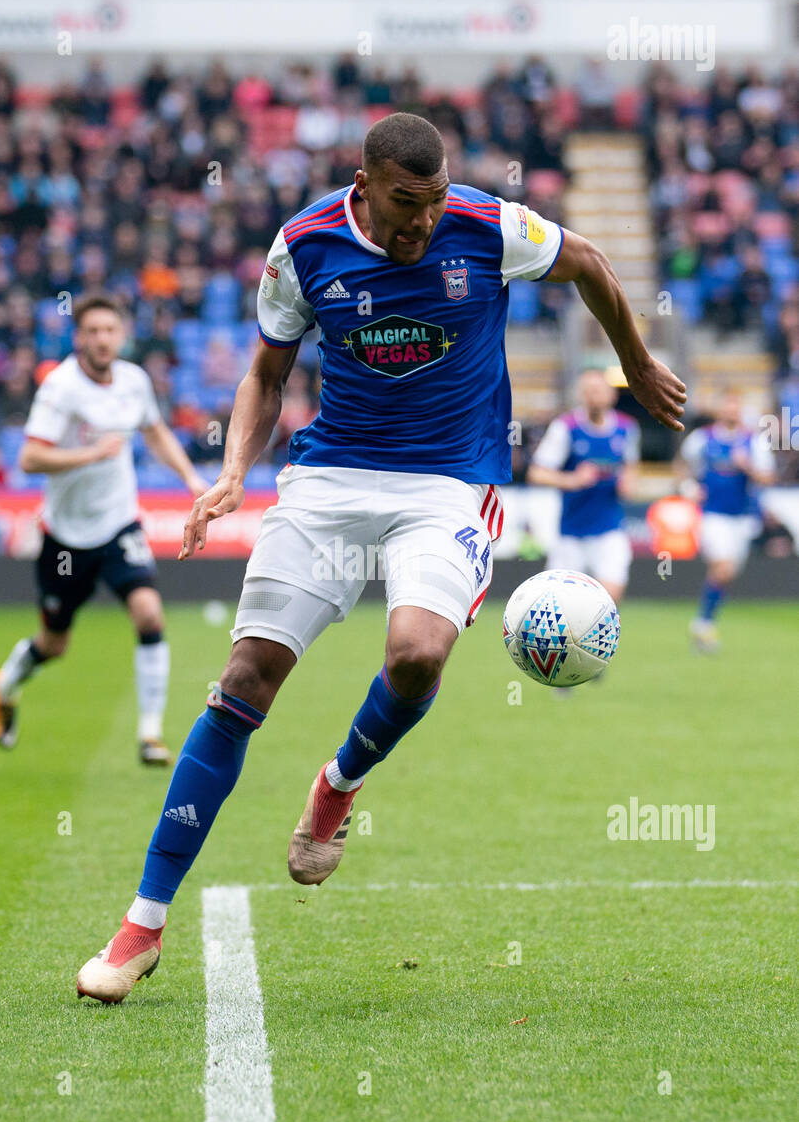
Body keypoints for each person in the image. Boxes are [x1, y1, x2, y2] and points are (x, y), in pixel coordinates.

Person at [75, 112, 685, 1003]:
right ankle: (142, 923)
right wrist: (234, 473)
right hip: (328, 482)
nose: (423, 223)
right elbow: (266, 373)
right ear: (364, 185)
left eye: (435, 202)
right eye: (407, 205)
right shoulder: (304, 246)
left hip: (448, 484)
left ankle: (338, 782)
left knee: (416, 653)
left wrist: (637, 359)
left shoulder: (488, 226)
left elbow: (587, 259)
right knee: (246, 678)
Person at [0, 293, 207, 763]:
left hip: (118, 525)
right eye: (93, 331)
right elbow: (28, 457)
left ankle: (150, 734)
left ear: (121, 335)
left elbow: (155, 431)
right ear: (78, 338)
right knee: (54, 643)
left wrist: (191, 479)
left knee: (149, 613)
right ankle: (6, 682)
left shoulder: (134, 381)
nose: (103, 339)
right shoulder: (61, 388)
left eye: (110, 330)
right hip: (65, 538)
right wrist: (90, 454)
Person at [527, 369, 640, 608]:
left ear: (612, 395)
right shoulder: (565, 427)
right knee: (558, 606)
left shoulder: (626, 428)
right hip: (571, 532)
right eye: (587, 391)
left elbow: (630, 466)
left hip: (609, 528)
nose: (592, 396)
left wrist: (627, 483)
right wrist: (573, 480)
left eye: (597, 391)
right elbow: (536, 473)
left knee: (609, 599)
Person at [676, 391, 775, 652]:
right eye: (727, 407)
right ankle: (704, 625)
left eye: (735, 408)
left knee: (727, 574)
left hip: (742, 519)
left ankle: (704, 621)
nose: (731, 412)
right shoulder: (702, 439)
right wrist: (688, 486)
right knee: (723, 568)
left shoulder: (754, 442)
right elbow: (681, 466)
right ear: (719, 410)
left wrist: (749, 468)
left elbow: (767, 479)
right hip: (713, 515)